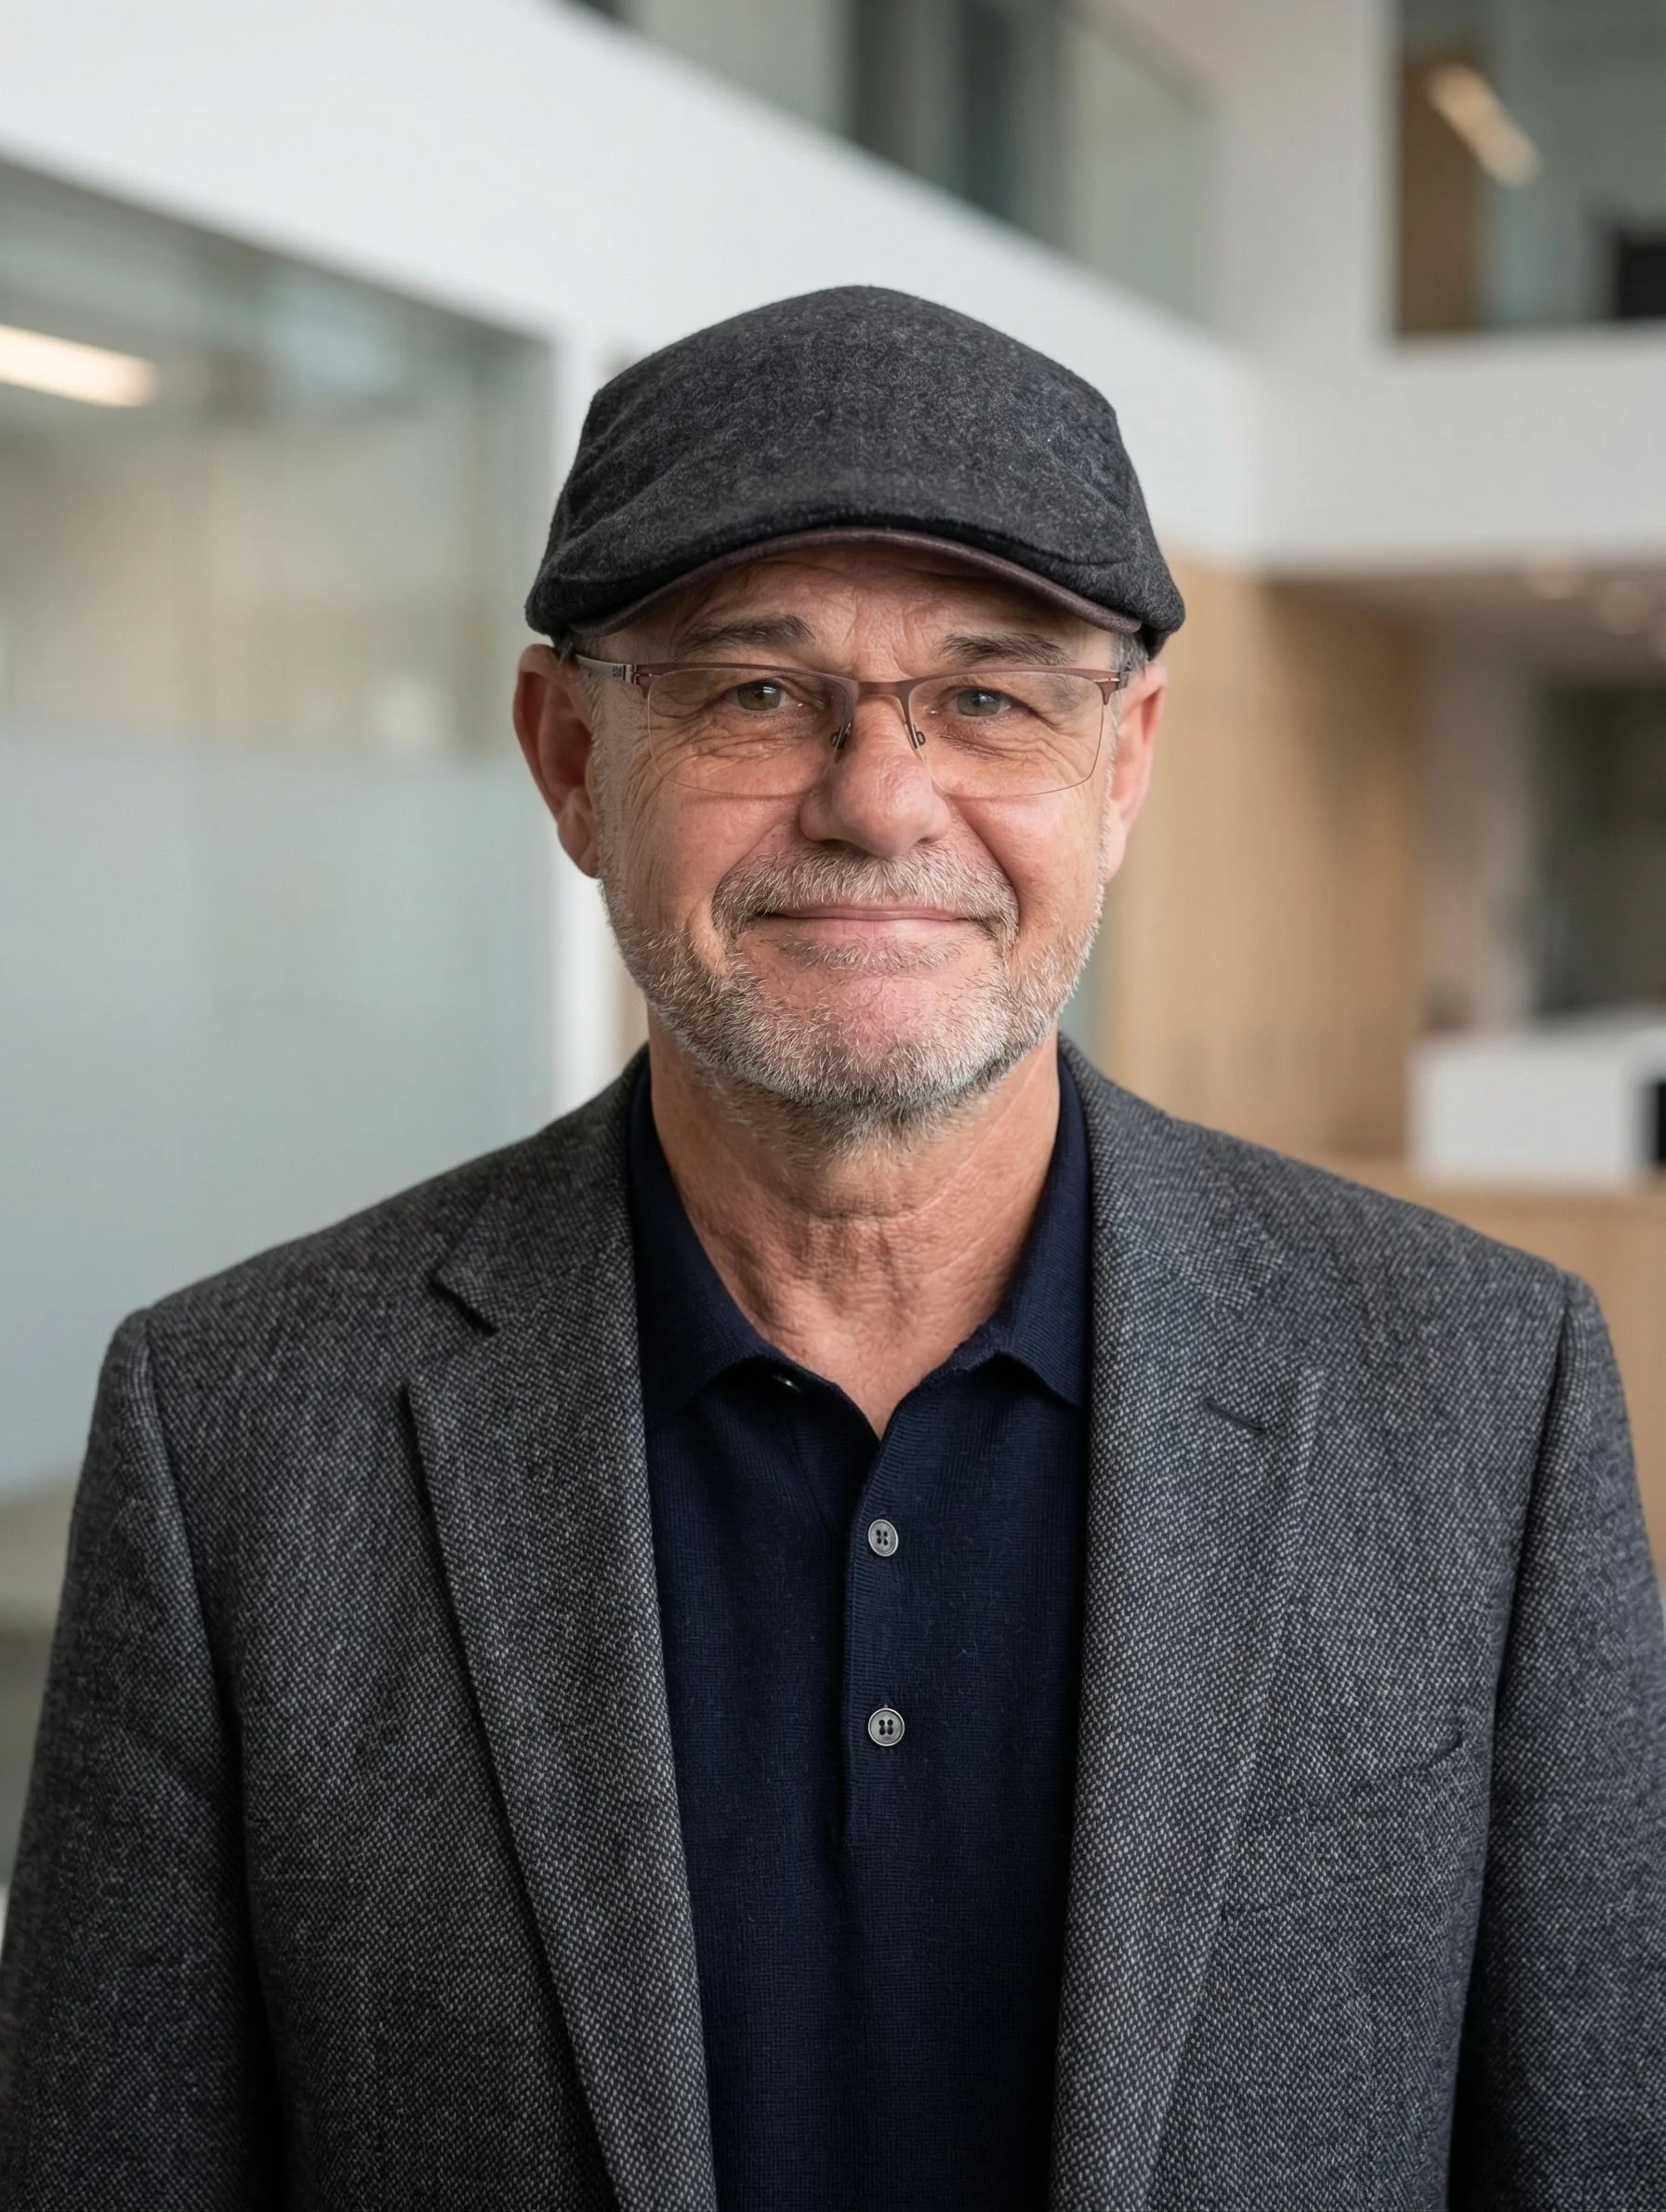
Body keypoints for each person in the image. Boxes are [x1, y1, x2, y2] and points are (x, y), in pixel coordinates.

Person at [1, 285, 1661, 2210]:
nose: (878, 801)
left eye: (992, 696)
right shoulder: (233, 1430)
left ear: (1121, 765)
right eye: (754, 691)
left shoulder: (1480, 1393)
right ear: (568, 756)